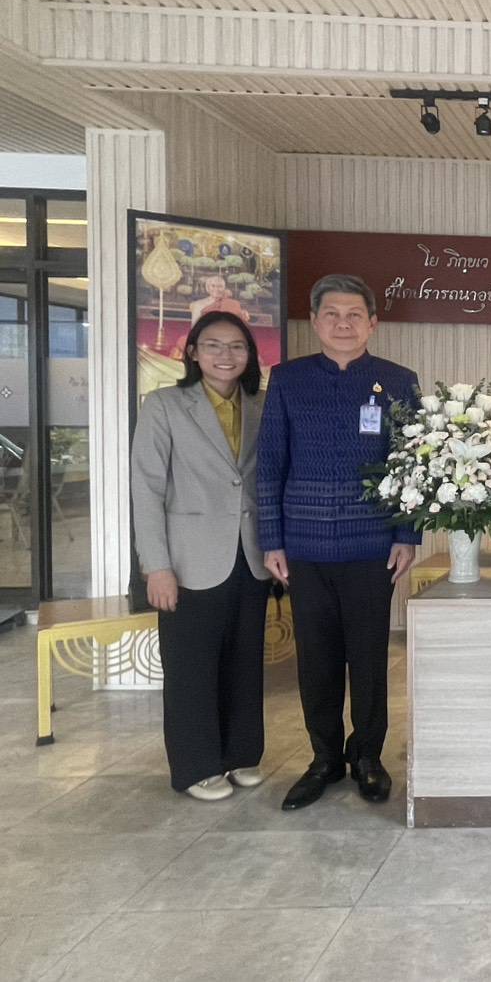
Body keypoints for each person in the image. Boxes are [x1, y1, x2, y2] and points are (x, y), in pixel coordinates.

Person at [258, 274, 420, 810]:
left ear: (373, 323)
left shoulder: (397, 381)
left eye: (354, 315)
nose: (343, 324)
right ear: (314, 321)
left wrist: (407, 534)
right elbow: (271, 463)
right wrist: (271, 539)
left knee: (369, 658)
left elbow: (413, 463)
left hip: (372, 545)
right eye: (332, 314)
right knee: (317, 659)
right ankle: (324, 758)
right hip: (303, 546)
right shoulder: (288, 379)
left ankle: (368, 757)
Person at [131, 312, 271, 800]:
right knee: (191, 667)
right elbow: (146, 489)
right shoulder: (165, 405)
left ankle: (241, 754)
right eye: (213, 345)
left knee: (245, 662)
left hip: (250, 555)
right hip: (188, 559)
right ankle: (196, 766)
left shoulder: (261, 406)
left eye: (237, 346)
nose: (225, 355)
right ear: (192, 352)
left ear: (249, 354)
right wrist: (157, 566)